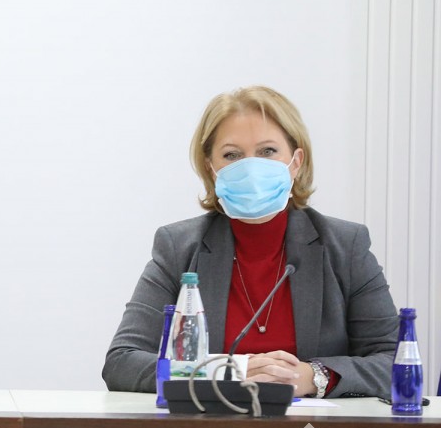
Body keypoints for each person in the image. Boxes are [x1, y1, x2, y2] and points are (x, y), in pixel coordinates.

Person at [102, 86, 398, 398]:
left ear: (296, 162)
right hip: (211, 425)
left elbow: (393, 361)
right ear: (211, 168)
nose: (251, 168)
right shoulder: (178, 246)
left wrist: (315, 377)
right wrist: (227, 372)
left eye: (268, 151)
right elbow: (122, 362)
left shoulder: (345, 246)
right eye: (232, 155)